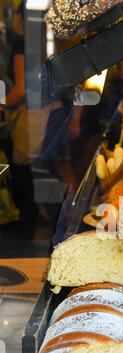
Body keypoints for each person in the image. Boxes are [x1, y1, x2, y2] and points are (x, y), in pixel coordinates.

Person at [0, 1, 38, 239]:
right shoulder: (39, 40)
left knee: (21, 166)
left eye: (13, 14)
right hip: (40, 111)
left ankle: (26, 222)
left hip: (27, 113)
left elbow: (22, 89)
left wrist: (1, 103)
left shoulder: (20, 44)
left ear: (19, 17)